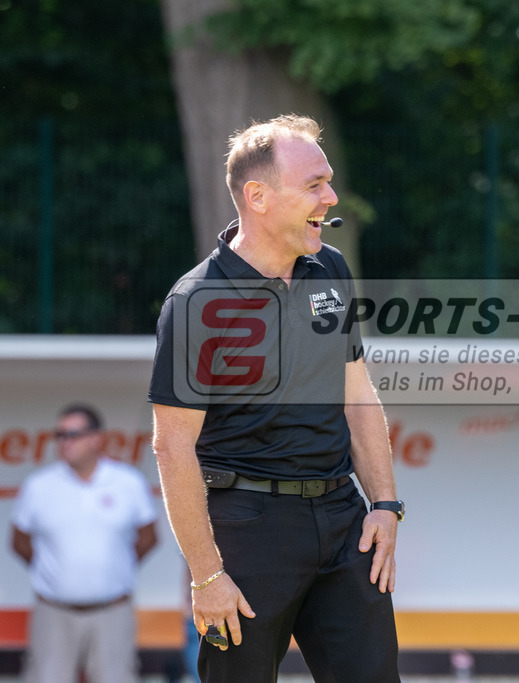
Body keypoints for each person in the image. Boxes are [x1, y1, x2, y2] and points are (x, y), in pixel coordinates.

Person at [148, 114, 403, 682]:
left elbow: (356, 394)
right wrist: (207, 576)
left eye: (328, 183)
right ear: (258, 196)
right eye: (314, 185)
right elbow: (172, 447)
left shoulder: (330, 268)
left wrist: (385, 505)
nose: (330, 198)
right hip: (247, 530)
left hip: (344, 519)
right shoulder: (195, 301)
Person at [10, 403, 158, 683]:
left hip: (113, 611)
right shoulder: (39, 485)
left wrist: (116, 568)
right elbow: (19, 540)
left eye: (73, 434)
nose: (64, 442)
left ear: (97, 438)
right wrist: (54, 572)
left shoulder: (127, 482)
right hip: (53, 611)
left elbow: (149, 536)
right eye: (59, 435)